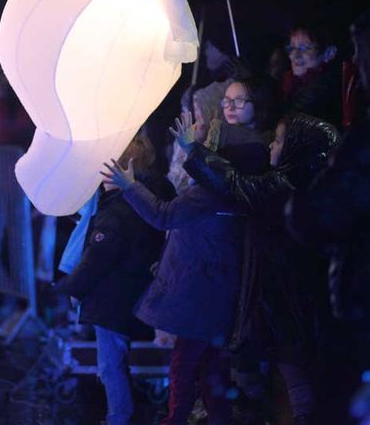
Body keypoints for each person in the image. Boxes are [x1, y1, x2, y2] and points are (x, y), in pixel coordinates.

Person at [103, 121, 270, 425]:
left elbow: (163, 215)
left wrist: (130, 186)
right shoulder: (246, 194)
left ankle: (175, 420)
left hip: (199, 297)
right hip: (223, 296)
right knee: (212, 369)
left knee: (183, 366)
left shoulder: (208, 194)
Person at [179, 112, 339, 425]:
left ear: (297, 147)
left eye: (279, 140)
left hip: (285, 292)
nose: (271, 145)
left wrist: (193, 151)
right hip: (297, 292)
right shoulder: (315, 183)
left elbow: (235, 184)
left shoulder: (285, 183)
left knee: (293, 369)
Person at [54, 132, 171, 425]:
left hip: (112, 299)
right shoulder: (154, 197)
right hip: (137, 290)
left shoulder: (115, 212)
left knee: (110, 366)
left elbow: (96, 261)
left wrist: (68, 287)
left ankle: (118, 418)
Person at [281, 22, 342, 127]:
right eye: (291, 48)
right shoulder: (292, 83)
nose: (294, 55)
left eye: (305, 48)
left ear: (329, 53)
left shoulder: (323, 87)